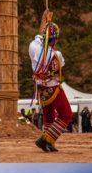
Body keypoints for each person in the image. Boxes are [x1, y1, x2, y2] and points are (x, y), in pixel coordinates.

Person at [30, 10, 72, 152]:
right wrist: (47, 22)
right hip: (53, 88)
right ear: (56, 39)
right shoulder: (56, 55)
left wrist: (45, 20)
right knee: (66, 114)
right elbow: (62, 65)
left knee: (49, 115)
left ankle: (48, 142)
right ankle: (46, 139)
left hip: (41, 90)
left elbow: (40, 36)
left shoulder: (33, 47)